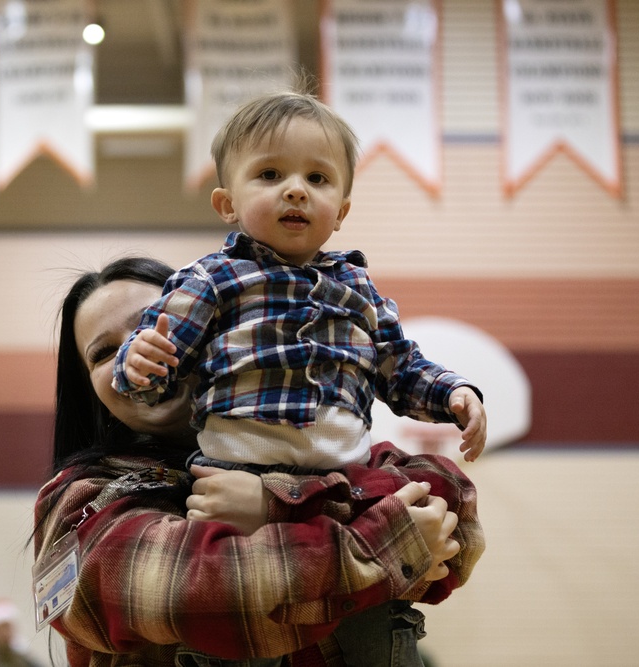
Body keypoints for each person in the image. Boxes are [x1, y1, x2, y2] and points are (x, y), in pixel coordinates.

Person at [33, 257, 485, 666]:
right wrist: (389, 542)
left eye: (153, 324)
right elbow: (193, 594)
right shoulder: (78, 500)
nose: (136, 354)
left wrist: (276, 505)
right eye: (103, 353)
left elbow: (453, 506)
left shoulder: (314, 442)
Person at [113, 89, 487, 478]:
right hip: (235, 470)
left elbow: (401, 367)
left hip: (341, 478)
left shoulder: (357, 288)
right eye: (270, 174)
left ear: (340, 212)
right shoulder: (212, 279)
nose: (296, 189)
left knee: (444, 482)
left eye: (317, 177)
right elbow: (154, 370)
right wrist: (140, 363)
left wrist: (453, 393)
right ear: (228, 204)